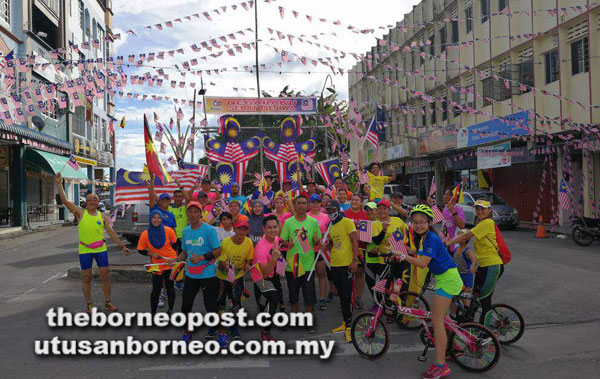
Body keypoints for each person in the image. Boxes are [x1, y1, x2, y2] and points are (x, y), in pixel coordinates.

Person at [392, 205, 462, 379]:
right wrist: (398, 251)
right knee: (443, 318)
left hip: (448, 280)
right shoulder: (425, 237)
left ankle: (441, 366)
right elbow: (417, 252)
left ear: (430, 222)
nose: (418, 225)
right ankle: (457, 346)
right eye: (414, 222)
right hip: (445, 278)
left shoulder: (431, 238)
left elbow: (423, 263)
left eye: (422, 222)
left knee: (436, 319)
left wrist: (402, 256)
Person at [55, 173, 131, 313]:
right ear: (86, 202)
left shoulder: (102, 216)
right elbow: (65, 201)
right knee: (86, 277)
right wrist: (59, 183)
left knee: (105, 275)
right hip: (85, 250)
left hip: (100, 249)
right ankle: (89, 305)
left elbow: (111, 233)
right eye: (90, 199)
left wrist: (122, 246)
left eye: (95, 199)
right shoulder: (80, 213)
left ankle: (108, 302)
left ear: (98, 202)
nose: (92, 201)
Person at [444, 199, 504, 324]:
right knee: (475, 297)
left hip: (492, 265)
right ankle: (470, 324)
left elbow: (466, 235)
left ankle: (484, 334)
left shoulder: (487, 222)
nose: (480, 211)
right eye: (477, 209)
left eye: (483, 209)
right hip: (484, 266)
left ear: (489, 211)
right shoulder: (481, 223)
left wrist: (448, 243)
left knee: (484, 300)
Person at [174, 201, 221, 342]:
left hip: (208, 274)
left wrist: (202, 257)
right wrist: (175, 259)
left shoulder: (209, 230)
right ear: (187, 214)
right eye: (190, 211)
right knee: (186, 306)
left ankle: (223, 332)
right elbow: (184, 252)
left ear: (201, 214)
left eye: (196, 211)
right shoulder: (186, 231)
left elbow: (218, 251)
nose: (193, 214)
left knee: (211, 307)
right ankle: (187, 333)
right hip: (191, 275)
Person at [280, 195, 322, 323]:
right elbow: (283, 240)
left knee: (308, 293)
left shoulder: (313, 222)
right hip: (292, 263)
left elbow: (317, 241)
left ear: (307, 205)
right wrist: (288, 245)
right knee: (293, 293)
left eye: (304, 203)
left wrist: (316, 242)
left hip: (308, 263)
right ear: (295, 204)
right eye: (299, 203)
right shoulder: (288, 222)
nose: (302, 206)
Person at [324, 200, 359, 343]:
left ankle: (350, 327)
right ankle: (345, 322)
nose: (330, 213)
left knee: (347, 295)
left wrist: (355, 260)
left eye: (332, 210)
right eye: (328, 210)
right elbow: (332, 242)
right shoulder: (330, 225)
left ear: (338, 209)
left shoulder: (347, 222)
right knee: (341, 295)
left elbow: (354, 240)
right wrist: (326, 247)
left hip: (347, 264)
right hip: (335, 264)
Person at [216, 219, 254, 346]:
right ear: (235, 229)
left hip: (237, 277)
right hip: (222, 277)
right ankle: (220, 329)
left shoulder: (248, 243)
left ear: (247, 231)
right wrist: (229, 269)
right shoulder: (226, 242)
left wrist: (248, 266)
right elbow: (222, 261)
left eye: (244, 229)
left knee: (236, 303)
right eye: (239, 229)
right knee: (220, 303)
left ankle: (233, 327)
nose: (241, 231)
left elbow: (249, 259)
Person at [137, 210, 177, 314]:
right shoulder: (145, 234)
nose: (156, 220)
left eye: (158, 218)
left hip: (169, 263)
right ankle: (153, 313)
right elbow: (140, 250)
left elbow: (175, 244)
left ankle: (170, 310)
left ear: (161, 219)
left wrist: (173, 258)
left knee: (170, 287)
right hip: (157, 265)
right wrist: (151, 254)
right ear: (150, 219)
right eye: (154, 218)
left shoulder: (168, 230)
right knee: (156, 289)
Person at [252, 215, 283, 341]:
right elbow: (264, 274)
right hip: (261, 277)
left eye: (275, 227)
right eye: (269, 228)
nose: (273, 230)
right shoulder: (261, 247)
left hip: (273, 274)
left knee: (271, 301)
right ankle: (266, 331)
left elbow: (279, 236)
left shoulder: (275, 238)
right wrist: (274, 259)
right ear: (263, 229)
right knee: (274, 299)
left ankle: (263, 313)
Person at [371, 200, 410, 298]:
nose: (381, 211)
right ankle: (385, 304)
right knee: (385, 284)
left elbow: (408, 234)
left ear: (389, 210)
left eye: (384, 209)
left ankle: (397, 302)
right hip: (384, 261)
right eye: (379, 209)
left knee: (399, 282)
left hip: (399, 258)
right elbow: (376, 241)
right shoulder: (375, 224)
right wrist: (383, 230)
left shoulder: (397, 220)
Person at [307, 194, 333, 310]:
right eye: (313, 202)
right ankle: (310, 299)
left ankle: (322, 298)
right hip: (308, 251)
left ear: (321, 203)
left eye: (317, 202)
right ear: (309, 204)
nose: (315, 204)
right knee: (309, 277)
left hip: (321, 251)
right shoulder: (305, 216)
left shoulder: (326, 217)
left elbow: (330, 233)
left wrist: (326, 244)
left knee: (321, 275)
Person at [344, 193, 369, 310]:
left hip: (361, 249)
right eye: (352, 200)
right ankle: (347, 299)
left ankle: (358, 297)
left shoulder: (365, 215)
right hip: (346, 249)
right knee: (347, 276)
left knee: (359, 274)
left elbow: (368, 233)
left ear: (361, 202)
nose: (354, 201)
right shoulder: (344, 214)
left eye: (356, 200)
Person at [428, 187, 466, 254]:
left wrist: (453, 212)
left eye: (446, 194)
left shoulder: (458, 209)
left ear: (452, 196)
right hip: (445, 244)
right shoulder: (445, 208)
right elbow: (439, 220)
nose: (444, 196)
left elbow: (462, 226)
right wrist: (432, 205)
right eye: (444, 194)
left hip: (454, 245)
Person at [363, 202, 385, 305]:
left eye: (372, 209)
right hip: (370, 259)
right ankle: (376, 303)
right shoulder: (365, 224)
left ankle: (384, 304)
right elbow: (364, 243)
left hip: (381, 259)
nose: (369, 212)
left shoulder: (382, 223)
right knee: (370, 283)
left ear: (377, 211)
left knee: (382, 285)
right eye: (367, 210)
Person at [452, 229, 477, 308]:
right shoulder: (456, 249)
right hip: (458, 276)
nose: (459, 238)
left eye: (461, 237)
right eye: (458, 236)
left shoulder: (467, 250)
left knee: (465, 297)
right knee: (456, 296)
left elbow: (474, 259)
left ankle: (468, 313)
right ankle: (456, 314)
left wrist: (473, 266)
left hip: (466, 276)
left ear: (467, 239)